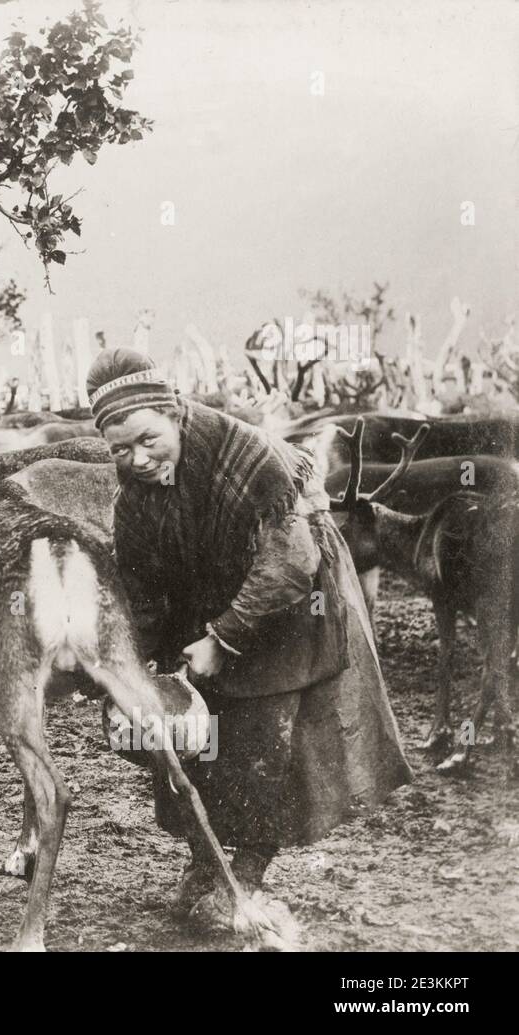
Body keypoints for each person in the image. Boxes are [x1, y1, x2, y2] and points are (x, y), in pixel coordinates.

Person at [86, 347, 412, 926]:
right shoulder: (131, 493)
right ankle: (207, 866)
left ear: (175, 414)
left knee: (265, 748)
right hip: (204, 593)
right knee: (192, 743)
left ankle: (247, 876)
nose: (135, 459)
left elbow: (290, 562)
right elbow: (138, 582)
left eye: (147, 440)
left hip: (288, 600)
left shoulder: (248, 457)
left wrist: (223, 638)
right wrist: (129, 666)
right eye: (119, 449)